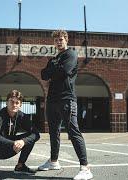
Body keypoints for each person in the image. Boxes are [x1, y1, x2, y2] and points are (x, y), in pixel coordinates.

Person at [39, 29, 93, 180]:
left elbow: (64, 71)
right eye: (56, 39)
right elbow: (43, 74)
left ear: (66, 40)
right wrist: (53, 68)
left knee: (73, 131)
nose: (58, 41)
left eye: (61, 39)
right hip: (52, 100)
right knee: (54, 132)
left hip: (66, 99)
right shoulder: (54, 58)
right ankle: (54, 161)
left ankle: (85, 167)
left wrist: (52, 69)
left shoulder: (71, 54)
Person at [0, 90, 40, 179]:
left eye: (17, 102)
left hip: (12, 149)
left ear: (20, 105)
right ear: (7, 102)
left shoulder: (22, 116)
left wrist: (23, 142)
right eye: (11, 102)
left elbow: (36, 134)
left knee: (29, 137)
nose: (14, 105)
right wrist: (13, 143)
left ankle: (20, 166)